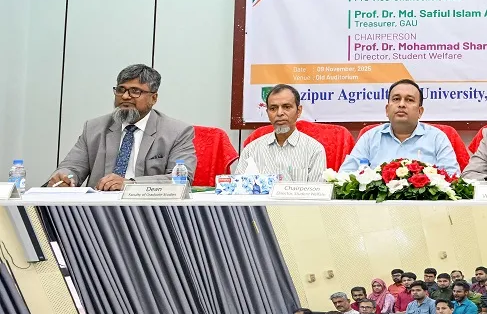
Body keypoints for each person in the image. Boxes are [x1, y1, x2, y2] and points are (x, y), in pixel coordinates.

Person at [47, 64, 196, 190]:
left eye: (135, 91)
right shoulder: (94, 128)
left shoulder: (177, 132)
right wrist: (64, 177)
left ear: (153, 98)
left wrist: (130, 185)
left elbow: (182, 181)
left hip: (149, 211)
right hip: (98, 211)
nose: (125, 96)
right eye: (121, 90)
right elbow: (72, 167)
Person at [339, 79, 458, 174]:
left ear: (420, 112)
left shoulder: (437, 138)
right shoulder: (370, 137)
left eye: (409, 100)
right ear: (387, 109)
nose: (401, 104)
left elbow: (453, 177)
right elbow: (345, 176)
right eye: (396, 99)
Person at [233, 84, 327, 181]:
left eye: (286, 107)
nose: (279, 113)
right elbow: (240, 190)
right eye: (273, 108)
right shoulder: (251, 150)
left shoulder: (314, 150)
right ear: (267, 113)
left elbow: (317, 193)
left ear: (298, 111)